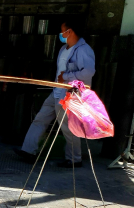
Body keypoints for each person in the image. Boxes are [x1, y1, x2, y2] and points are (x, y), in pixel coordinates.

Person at [14, 19, 95, 168]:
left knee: (68, 127)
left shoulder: (84, 50)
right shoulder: (63, 49)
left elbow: (88, 73)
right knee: (40, 119)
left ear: (69, 32)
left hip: (70, 94)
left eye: (62, 30)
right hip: (56, 91)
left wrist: (66, 77)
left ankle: (74, 159)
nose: (61, 34)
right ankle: (28, 151)